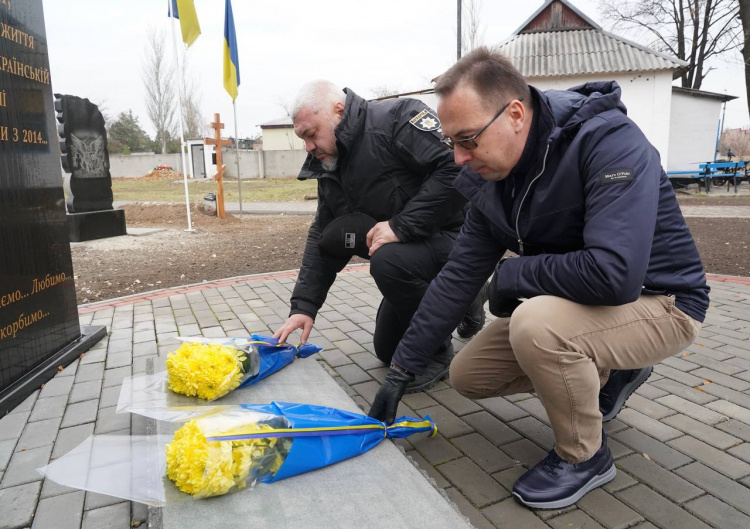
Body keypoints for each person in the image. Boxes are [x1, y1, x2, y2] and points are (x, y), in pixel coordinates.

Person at [368, 48, 709, 509]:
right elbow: (457, 278)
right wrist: (400, 373)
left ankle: (584, 456)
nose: (460, 157)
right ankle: (613, 369)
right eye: (452, 142)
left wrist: (514, 274)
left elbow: (615, 276)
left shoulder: (609, 143)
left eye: (467, 139)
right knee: (468, 374)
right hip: (591, 307)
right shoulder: (494, 180)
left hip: (664, 303)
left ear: (513, 115)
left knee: (535, 323)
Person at [273, 80, 488, 392]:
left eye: (310, 134)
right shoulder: (332, 161)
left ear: (338, 111)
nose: (308, 146)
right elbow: (323, 233)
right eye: (302, 138)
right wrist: (304, 307)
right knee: (387, 351)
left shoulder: (398, 118)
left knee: (387, 261)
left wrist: (400, 226)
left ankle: (437, 350)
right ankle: (470, 295)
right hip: (408, 255)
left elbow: (456, 170)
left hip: (454, 238)